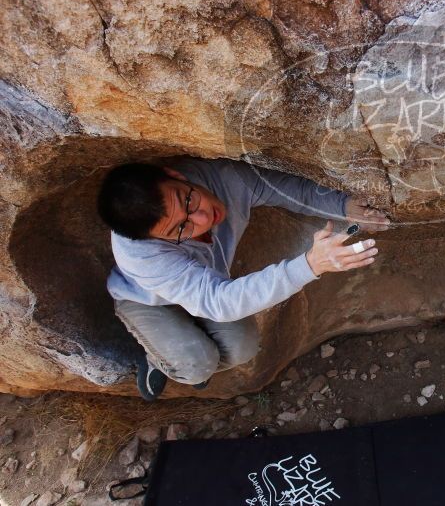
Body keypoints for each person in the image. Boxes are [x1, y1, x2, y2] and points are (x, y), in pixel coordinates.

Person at [97, 157, 390, 400]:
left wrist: (344, 207)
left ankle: (187, 352)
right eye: (179, 229)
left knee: (243, 348)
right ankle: (159, 359)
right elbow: (219, 302)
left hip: (204, 288)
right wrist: (310, 265)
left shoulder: (222, 177)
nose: (202, 219)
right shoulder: (140, 255)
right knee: (197, 366)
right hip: (146, 299)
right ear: (153, 238)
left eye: (188, 200)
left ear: (173, 174)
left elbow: (290, 190)